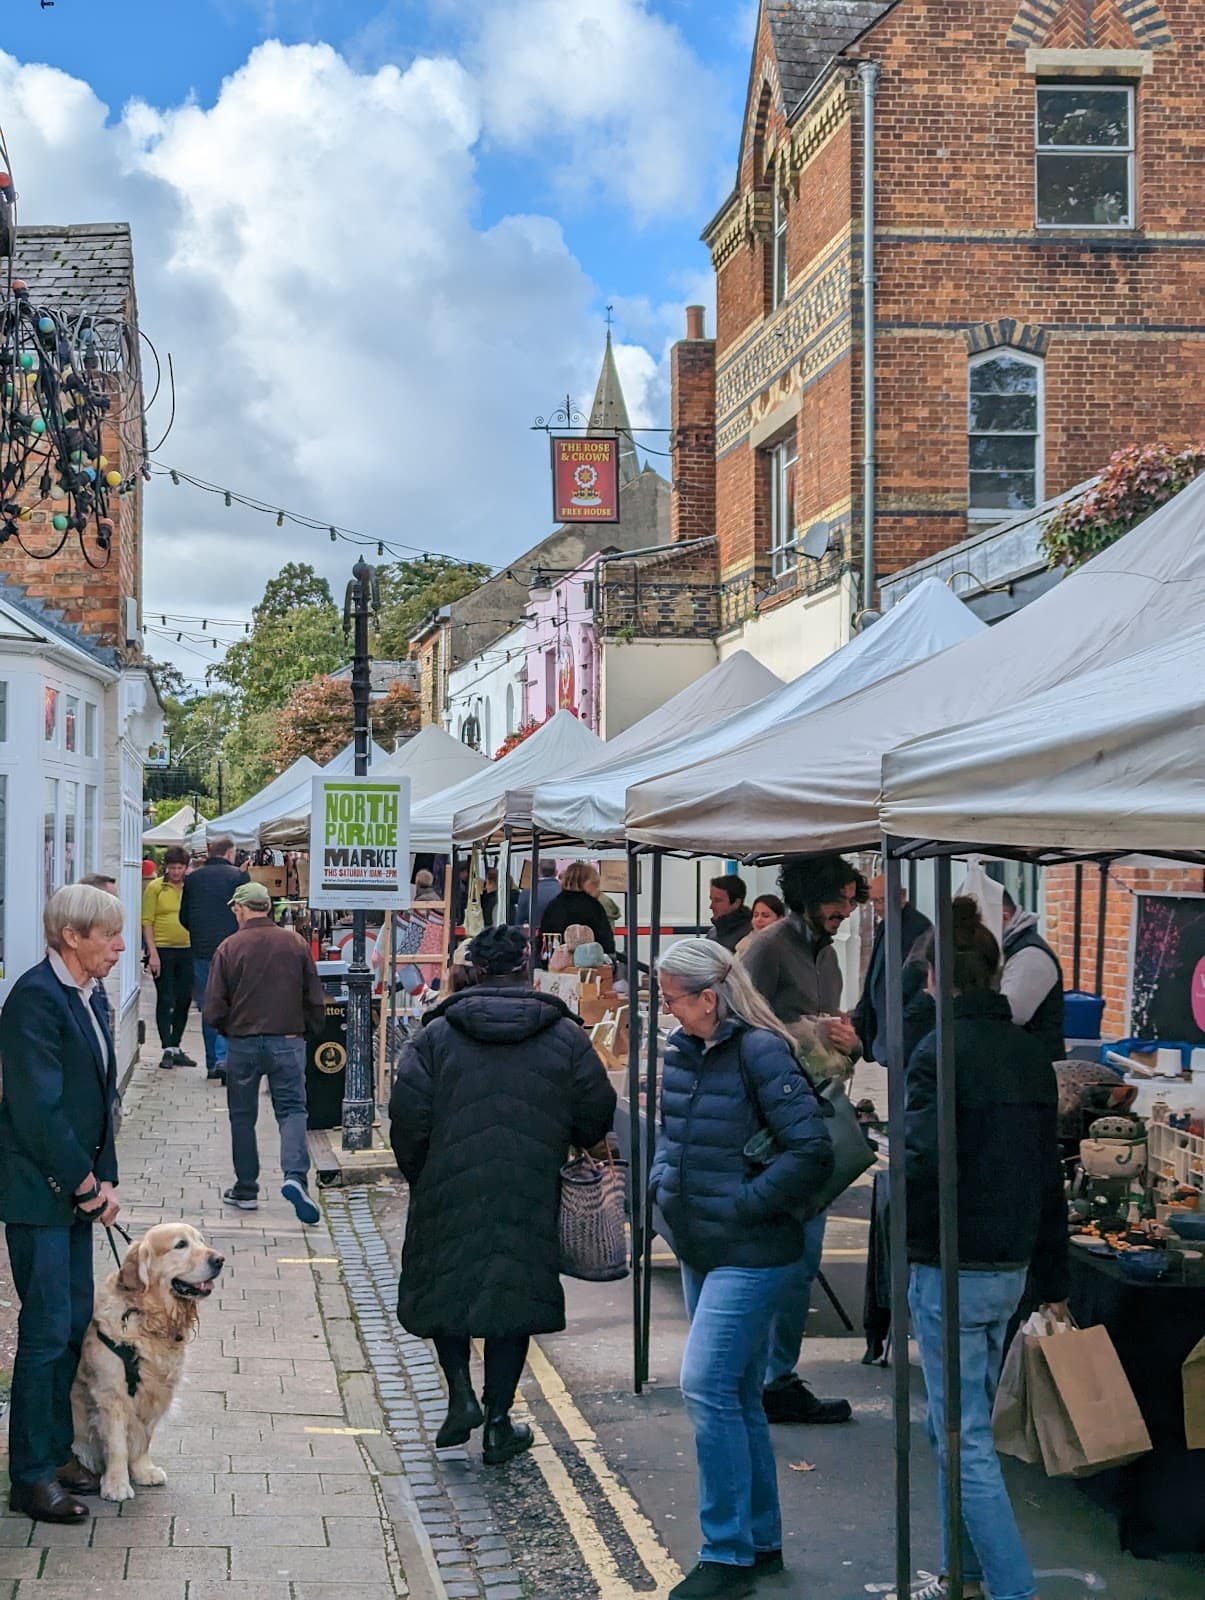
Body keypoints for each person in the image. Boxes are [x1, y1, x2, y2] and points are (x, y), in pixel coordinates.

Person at [390, 926, 615, 1466]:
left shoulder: (436, 1036)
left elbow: (406, 1115)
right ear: (525, 968)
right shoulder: (565, 1036)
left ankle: (460, 1396)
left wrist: (421, 1173)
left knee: (447, 1288)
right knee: (511, 1301)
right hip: (528, 1186)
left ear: (479, 969)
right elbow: (595, 1115)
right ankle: (497, 1422)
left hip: (448, 1181)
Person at [649, 938, 833, 1598]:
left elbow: (809, 1148)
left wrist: (745, 1204)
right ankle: (758, 1541)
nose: (665, 1011)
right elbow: (671, 1139)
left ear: (707, 997)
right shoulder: (680, 1051)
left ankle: (725, 1554)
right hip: (704, 1245)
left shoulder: (760, 1049)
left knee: (703, 1386)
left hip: (752, 1251)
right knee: (734, 1395)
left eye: (671, 999)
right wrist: (662, 1184)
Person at [902, 897, 1067, 1600]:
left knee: (963, 1440)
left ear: (937, 975)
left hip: (951, 1263)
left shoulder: (936, 1050)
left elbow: (921, 1161)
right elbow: (1045, 1169)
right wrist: (1052, 1271)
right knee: (958, 1434)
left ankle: (1008, 1589)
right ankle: (960, 1574)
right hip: (1010, 1262)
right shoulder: (1029, 1055)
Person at [0, 884, 124, 1524]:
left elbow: (99, 1099)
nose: (121, 947)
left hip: (76, 1193)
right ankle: (28, 1477)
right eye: (110, 936)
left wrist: (106, 1176)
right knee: (46, 1334)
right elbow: (38, 1109)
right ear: (71, 936)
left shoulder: (88, 994)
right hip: (39, 1195)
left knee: (75, 1321)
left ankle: (55, 1454)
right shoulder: (34, 1000)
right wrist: (82, 1184)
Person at [742, 854, 867, 1426]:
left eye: (849, 900)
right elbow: (741, 1026)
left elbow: (833, 1033)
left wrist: (849, 1040)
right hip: (774, 1125)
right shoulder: (768, 949)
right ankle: (771, 1377)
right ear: (807, 897)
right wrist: (804, 1034)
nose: (844, 911)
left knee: (802, 1252)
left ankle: (774, 1374)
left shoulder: (830, 954)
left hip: (818, 1114)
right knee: (791, 1253)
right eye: (835, 901)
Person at [203, 882, 326, 1225]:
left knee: (242, 1116)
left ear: (241, 909)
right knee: (292, 1110)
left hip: (243, 1041)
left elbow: (214, 1004)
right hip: (287, 1038)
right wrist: (309, 1030)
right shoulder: (295, 943)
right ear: (268, 908)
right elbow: (314, 995)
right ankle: (294, 1177)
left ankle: (246, 1188)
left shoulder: (229, 946)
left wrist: (228, 1029)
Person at [179, 834, 249, 1082]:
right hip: (234, 950)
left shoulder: (193, 879)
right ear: (230, 853)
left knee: (210, 1005)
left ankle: (213, 1061)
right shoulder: (238, 877)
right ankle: (227, 1059)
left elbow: (184, 917)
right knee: (234, 1004)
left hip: (202, 950)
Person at [851, 872, 933, 1070]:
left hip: (906, 1027)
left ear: (902, 895)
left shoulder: (918, 928)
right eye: (874, 901)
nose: (878, 907)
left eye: (883, 900)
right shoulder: (887, 925)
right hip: (888, 1025)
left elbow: (917, 979)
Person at [141, 846, 195, 1070]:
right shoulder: (155, 888)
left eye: (180, 868)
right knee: (166, 997)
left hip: (188, 948)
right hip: (163, 949)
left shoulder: (191, 887)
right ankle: (165, 1047)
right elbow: (147, 921)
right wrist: (152, 952)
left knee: (184, 998)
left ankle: (176, 1045)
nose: (175, 872)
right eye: (172, 868)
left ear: (186, 868)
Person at [1001, 890, 1066, 1061]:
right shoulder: (1013, 948)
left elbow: (1012, 1013)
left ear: (1004, 917)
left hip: (1035, 1065)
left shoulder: (1030, 955)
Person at [538, 861, 615, 961]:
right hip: (588, 963)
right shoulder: (593, 906)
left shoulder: (554, 905)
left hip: (557, 962)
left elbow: (544, 938)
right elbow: (606, 941)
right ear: (587, 882)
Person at [707, 874, 752, 953]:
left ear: (736, 903)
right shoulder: (712, 933)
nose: (711, 906)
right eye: (711, 900)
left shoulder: (750, 935)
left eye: (718, 901)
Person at [735, 893, 784, 959]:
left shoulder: (787, 945)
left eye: (765, 916)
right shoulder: (744, 945)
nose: (759, 920)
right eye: (755, 915)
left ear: (780, 919)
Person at [516, 859, 560, 929]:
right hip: (559, 935)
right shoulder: (563, 892)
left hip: (534, 935)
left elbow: (518, 922)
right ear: (556, 872)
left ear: (538, 872)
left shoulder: (527, 893)